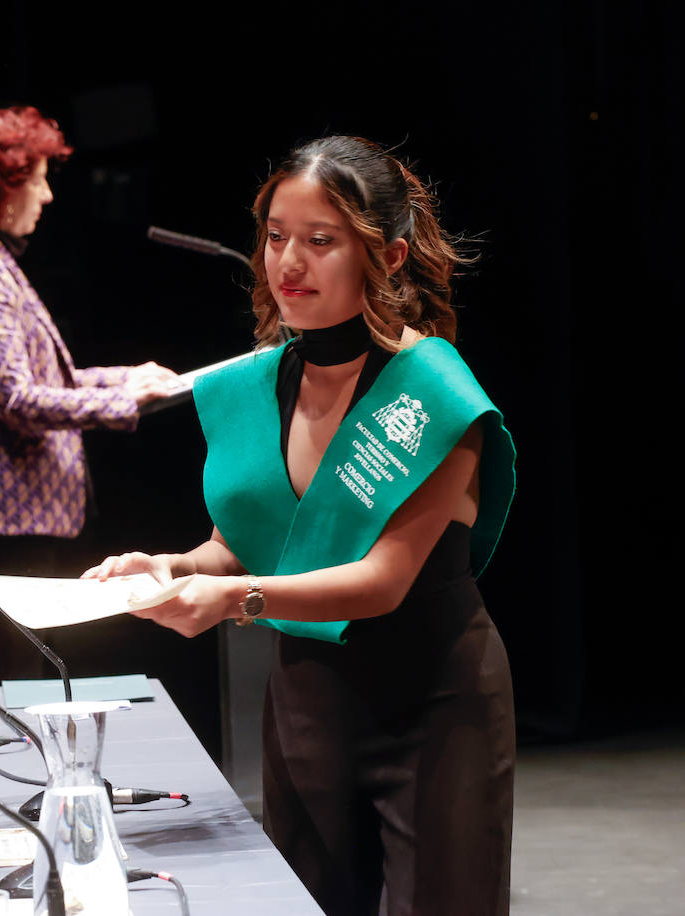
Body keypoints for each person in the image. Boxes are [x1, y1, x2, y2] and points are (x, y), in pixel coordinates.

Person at [86, 136, 516, 916]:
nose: (288, 262)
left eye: (321, 242)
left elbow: (382, 583)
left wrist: (235, 600)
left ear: (386, 257)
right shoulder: (263, 378)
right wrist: (169, 568)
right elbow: (240, 545)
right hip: (308, 704)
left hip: (434, 706)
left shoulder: (435, 394)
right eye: (277, 236)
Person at [0, 105, 178, 674]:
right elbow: (19, 400)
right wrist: (123, 399)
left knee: (28, 686)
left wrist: (127, 379)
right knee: (17, 688)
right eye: (36, 180)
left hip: (14, 521)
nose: (47, 195)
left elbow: (41, 382)